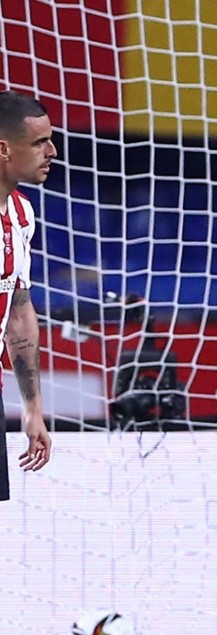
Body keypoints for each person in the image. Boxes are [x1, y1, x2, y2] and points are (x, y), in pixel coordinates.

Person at [0, 90, 54, 502]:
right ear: (4, 149)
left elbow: (18, 312)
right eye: (38, 142)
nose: (51, 151)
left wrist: (32, 408)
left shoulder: (21, 215)